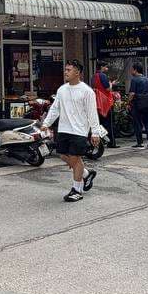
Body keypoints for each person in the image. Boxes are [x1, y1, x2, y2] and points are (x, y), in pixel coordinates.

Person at [41, 61, 101, 203]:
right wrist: (46, 123)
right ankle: (86, 174)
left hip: (79, 131)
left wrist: (95, 132)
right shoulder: (62, 89)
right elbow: (55, 108)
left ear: (77, 73)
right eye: (65, 70)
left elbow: (92, 113)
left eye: (69, 70)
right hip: (63, 129)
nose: (65, 72)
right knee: (62, 155)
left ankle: (77, 190)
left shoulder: (87, 91)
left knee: (75, 159)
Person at [126, 63, 148, 150]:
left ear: (135, 70)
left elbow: (132, 94)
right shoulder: (147, 79)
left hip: (138, 104)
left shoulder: (134, 80)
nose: (131, 71)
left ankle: (140, 143)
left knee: (138, 124)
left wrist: (128, 103)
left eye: (132, 69)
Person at [93, 64, 119, 149]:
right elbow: (108, 89)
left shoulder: (94, 76)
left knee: (100, 123)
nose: (107, 68)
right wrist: (111, 83)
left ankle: (101, 141)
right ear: (101, 67)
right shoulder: (103, 76)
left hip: (97, 102)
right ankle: (111, 142)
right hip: (106, 102)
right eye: (106, 67)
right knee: (109, 123)